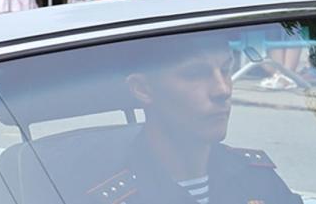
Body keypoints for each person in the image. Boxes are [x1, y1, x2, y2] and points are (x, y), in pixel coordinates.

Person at [82, 32, 301, 204]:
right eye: (196, 74)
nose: (223, 89)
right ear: (143, 89)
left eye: (226, 70)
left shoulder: (258, 180)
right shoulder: (114, 197)